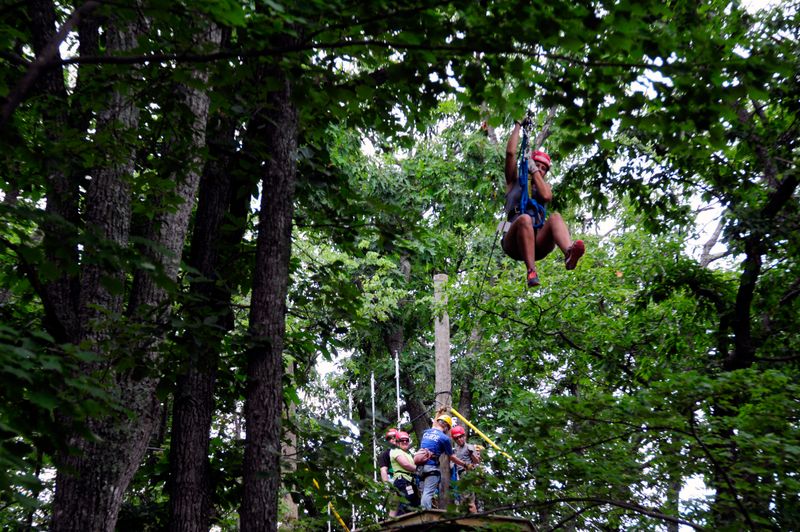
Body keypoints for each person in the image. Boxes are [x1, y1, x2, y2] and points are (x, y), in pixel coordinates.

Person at [502, 118, 585, 288]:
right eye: (537, 165)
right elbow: (510, 153)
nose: (539, 169)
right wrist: (518, 125)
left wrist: (534, 169)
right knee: (524, 218)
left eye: (543, 168)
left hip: (538, 242)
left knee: (555, 217)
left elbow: (547, 196)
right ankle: (531, 271)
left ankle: (569, 252)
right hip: (514, 241)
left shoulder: (544, 188)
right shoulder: (514, 181)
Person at [415, 412, 475, 510]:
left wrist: (438, 413)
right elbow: (452, 457)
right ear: (446, 427)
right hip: (431, 468)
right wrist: (465, 464)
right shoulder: (444, 438)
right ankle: (425, 514)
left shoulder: (427, 432)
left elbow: (435, 425)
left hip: (420, 468)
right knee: (428, 492)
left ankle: (423, 512)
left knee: (424, 492)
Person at [450, 425, 481, 513]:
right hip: (459, 475)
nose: (459, 440)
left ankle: (474, 518)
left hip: (467, 473)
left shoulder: (469, 447)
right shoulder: (456, 450)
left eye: (460, 437)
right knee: (462, 498)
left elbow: (476, 461)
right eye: (456, 438)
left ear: (464, 436)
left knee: (469, 499)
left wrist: (472, 454)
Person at [389, 431, 420, 515]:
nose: (405, 442)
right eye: (402, 440)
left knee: (414, 503)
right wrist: (419, 470)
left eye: (406, 440)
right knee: (406, 504)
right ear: (397, 442)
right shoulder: (396, 451)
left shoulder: (407, 454)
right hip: (402, 481)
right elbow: (405, 464)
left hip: (408, 481)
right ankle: (401, 524)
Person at [378, 428, 398, 517]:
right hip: (392, 479)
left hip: (404, 479)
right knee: (394, 505)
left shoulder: (402, 452)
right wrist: (386, 485)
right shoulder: (385, 454)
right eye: (390, 438)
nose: (393, 439)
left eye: (395, 437)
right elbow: (383, 470)